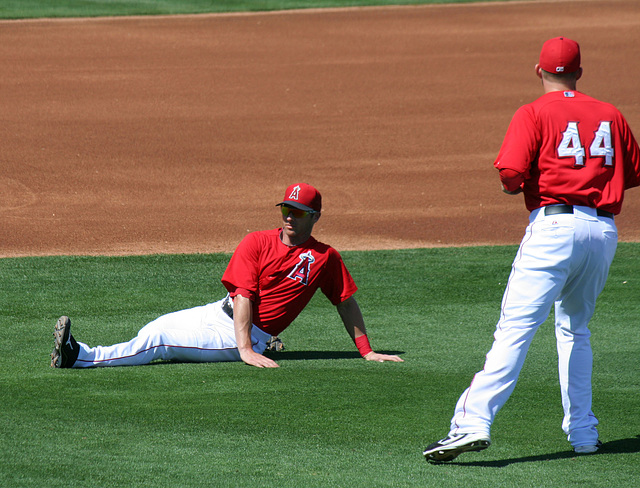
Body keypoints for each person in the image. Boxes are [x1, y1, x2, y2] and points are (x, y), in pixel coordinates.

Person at [423, 37, 640, 462]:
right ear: (579, 71)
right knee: (576, 330)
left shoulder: (534, 111)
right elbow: (632, 173)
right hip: (602, 233)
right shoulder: (610, 114)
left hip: (554, 228)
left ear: (538, 71)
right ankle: (583, 433)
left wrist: (530, 183)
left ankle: (471, 424)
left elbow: (509, 174)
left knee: (515, 330)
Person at [50, 183, 404, 369]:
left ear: (315, 216)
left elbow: (345, 301)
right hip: (220, 314)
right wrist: (245, 345)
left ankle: (79, 355)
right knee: (152, 328)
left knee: (159, 340)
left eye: (298, 212)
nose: (289, 216)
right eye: (286, 209)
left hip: (242, 333)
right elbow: (243, 294)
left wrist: (367, 351)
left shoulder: (325, 257)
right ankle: (83, 354)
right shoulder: (256, 242)